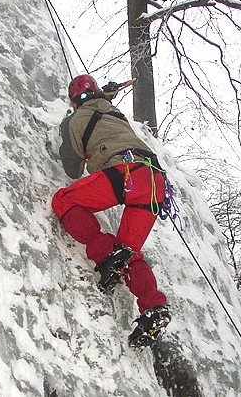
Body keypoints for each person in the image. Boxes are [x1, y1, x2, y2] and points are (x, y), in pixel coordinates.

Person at [52, 74, 171, 348]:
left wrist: (68, 131)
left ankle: (106, 253)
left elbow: (72, 169)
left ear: (73, 102)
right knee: (128, 253)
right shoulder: (113, 110)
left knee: (64, 201)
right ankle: (154, 306)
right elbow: (100, 103)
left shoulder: (74, 121)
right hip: (155, 181)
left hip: (125, 173)